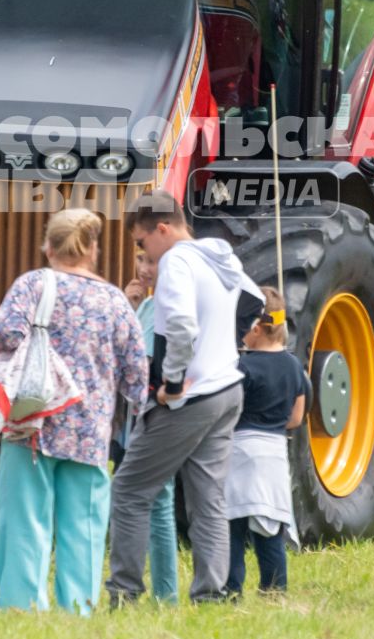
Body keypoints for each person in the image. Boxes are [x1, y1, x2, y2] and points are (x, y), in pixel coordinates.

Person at [0, 209, 150, 614]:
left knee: (24, 521)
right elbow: (136, 375)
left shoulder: (32, 285)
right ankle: (78, 607)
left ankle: (21, 607)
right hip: (89, 431)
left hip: (31, 421)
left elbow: (5, 331)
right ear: (93, 249)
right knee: (85, 526)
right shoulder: (114, 299)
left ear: (48, 246)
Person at [106, 192, 264, 605]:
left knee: (129, 489)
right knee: (208, 500)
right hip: (227, 389)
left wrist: (172, 383)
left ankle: (124, 593)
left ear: (162, 229)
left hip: (190, 397)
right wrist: (224, 345)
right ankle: (210, 595)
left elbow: (177, 323)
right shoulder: (219, 257)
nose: (143, 254)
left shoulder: (176, 261)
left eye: (141, 243)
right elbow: (257, 300)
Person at [224, 286, 308, 597]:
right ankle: (275, 588)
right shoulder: (294, 366)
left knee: (232, 524)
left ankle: (231, 589)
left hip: (240, 449)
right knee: (270, 526)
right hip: (274, 453)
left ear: (257, 329)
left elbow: (230, 410)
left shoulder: (242, 368)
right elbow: (297, 418)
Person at [118, 246, 179, 603]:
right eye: (139, 259)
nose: (143, 268)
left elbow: (140, 362)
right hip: (138, 416)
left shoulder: (164, 309)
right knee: (152, 501)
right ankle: (157, 592)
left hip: (154, 416)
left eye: (150, 261)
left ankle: (163, 595)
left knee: (157, 502)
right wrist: (128, 308)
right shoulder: (147, 305)